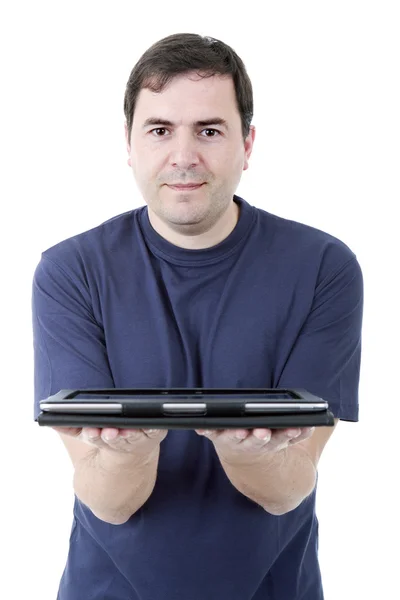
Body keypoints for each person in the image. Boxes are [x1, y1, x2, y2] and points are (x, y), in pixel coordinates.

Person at [32, 33, 363, 600]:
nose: (183, 156)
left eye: (209, 131)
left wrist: (243, 450)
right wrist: (131, 453)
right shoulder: (70, 271)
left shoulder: (323, 267)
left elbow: (287, 490)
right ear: (130, 144)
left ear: (247, 144)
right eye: (160, 130)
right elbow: (109, 500)